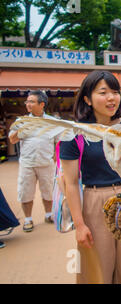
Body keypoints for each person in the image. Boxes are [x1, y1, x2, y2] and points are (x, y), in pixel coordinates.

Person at [59, 71, 121, 284]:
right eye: (103, 92)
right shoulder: (72, 133)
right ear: (87, 98)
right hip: (95, 204)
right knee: (97, 269)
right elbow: (71, 182)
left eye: (115, 92)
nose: (111, 98)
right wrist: (80, 225)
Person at [8, 90, 57, 232]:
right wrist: (23, 127)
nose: (28, 104)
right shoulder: (21, 121)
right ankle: (28, 219)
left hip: (47, 163)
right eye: (27, 102)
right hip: (27, 163)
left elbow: (58, 141)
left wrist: (55, 158)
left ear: (42, 104)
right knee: (25, 191)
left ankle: (49, 215)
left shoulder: (51, 121)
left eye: (31, 102)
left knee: (48, 191)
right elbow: (12, 139)